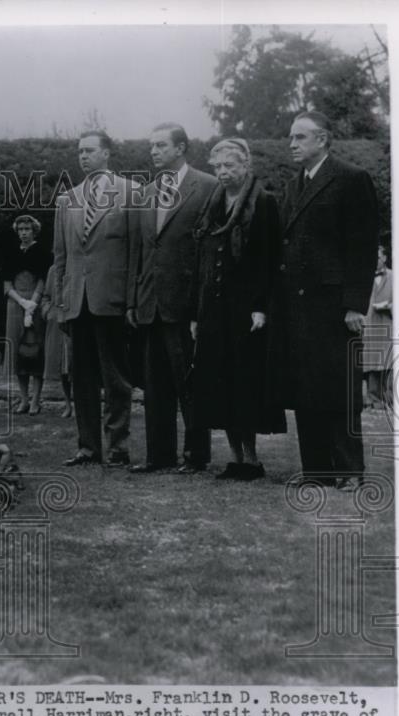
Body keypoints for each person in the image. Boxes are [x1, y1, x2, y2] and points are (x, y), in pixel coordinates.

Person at [275, 111, 379, 491]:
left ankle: (351, 469)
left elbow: (363, 247)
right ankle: (317, 469)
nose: (292, 144)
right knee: (306, 389)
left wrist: (355, 304)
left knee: (340, 389)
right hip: (298, 307)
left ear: (322, 139)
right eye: (290, 138)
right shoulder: (292, 186)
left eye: (300, 137)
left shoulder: (351, 179)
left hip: (335, 307)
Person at [189, 138, 287, 480]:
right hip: (214, 309)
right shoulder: (212, 204)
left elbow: (269, 259)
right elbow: (201, 259)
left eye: (229, 165)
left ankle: (252, 459)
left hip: (246, 310)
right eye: (217, 167)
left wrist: (261, 307)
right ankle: (233, 457)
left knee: (246, 382)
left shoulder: (263, 202)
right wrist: (195, 314)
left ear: (246, 166)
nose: (223, 172)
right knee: (220, 382)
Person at [127, 122, 217, 474]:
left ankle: (196, 455)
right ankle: (158, 455)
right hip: (150, 303)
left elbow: (209, 251)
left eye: (161, 145)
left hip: (186, 304)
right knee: (154, 386)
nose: (153, 151)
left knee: (190, 383)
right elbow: (140, 251)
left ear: (180, 148)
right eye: (151, 146)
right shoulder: (145, 194)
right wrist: (133, 300)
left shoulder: (207, 186)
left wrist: (201, 305)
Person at [52, 130, 137, 466]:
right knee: (81, 378)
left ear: (106, 154)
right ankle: (88, 448)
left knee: (116, 379)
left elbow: (136, 253)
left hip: (112, 301)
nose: (83, 156)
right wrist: (61, 305)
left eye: (89, 151)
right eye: (79, 152)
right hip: (76, 303)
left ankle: (118, 447)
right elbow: (60, 258)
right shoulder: (66, 200)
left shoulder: (131, 193)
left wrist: (131, 301)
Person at [0, 214, 52, 414]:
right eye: (20, 229)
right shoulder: (10, 252)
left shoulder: (42, 252)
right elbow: (6, 283)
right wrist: (21, 301)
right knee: (18, 352)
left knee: (35, 350)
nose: (23, 233)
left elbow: (43, 280)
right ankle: (23, 399)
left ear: (34, 230)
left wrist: (32, 304)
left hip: (35, 303)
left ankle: (36, 401)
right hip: (15, 304)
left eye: (27, 229)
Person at [363, 236, 393, 409]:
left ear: (385, 258)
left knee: (388, 363)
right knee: (370, 364)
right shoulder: (364, 276)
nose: (375, 261)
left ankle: (389, 399)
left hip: (387, 323)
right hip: (370, 325)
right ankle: (373, 399)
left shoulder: (395, 276)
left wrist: (389, 305)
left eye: (378, 257)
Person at [41, 264, 74, 417]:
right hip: (56, 323)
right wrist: (47, 310)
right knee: (63, 368)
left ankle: (83, 404)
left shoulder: (79, 265)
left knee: (78, 365)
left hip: (75, 322)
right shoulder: (53, 270)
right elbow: (46, 296)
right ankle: (68, 404)